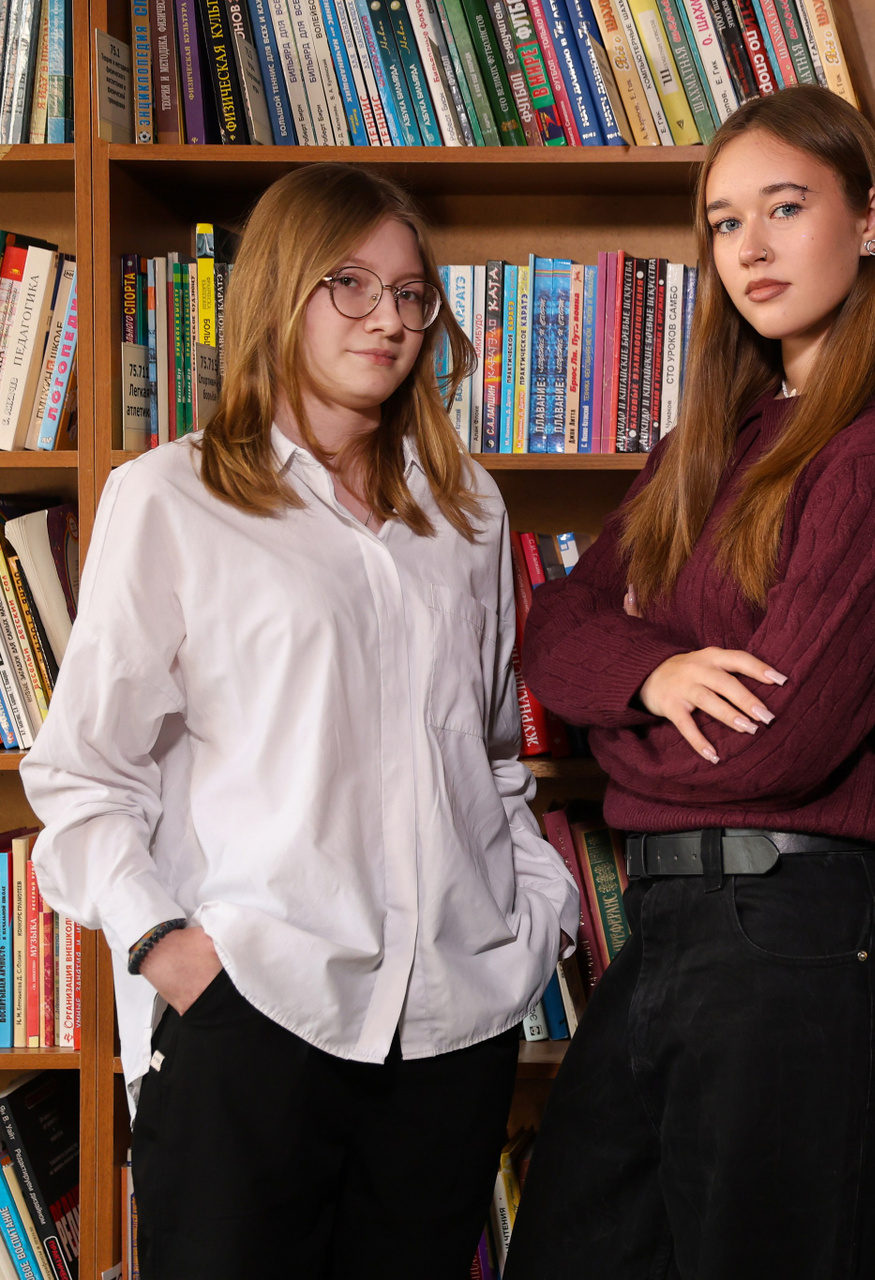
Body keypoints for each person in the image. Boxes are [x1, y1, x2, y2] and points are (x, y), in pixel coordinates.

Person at [20, 163, 577, 1278]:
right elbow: (85, 774)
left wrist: (537, 923)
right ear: (281, 290)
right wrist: (172, 955)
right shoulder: (172, 497)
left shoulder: (466, 509)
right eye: (350, 284)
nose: (389, 318)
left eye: (410, 293)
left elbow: (490, 759)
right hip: (257, 1017)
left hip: (452, 1027)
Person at [502, 85, 875, 1279]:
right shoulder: (705, 445)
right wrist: (657, 676)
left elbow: (773, 744)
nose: (750, 247)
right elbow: (553, 624)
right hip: (679, 923)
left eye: (786, 207)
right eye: (723, 221)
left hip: (810, 932)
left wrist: (613, 733)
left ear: (868, 221)